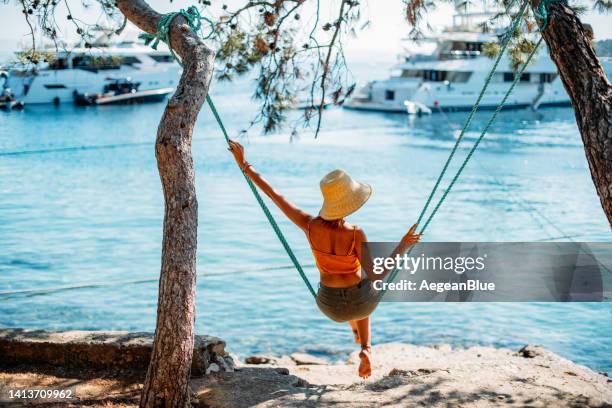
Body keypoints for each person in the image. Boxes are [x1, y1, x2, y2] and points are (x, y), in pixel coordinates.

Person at [228, 140, 422, 378]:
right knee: (364, 282)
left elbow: (274, 194)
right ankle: (365, 347)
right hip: (362, 302)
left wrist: (244, 164)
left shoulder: (309, 226)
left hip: (330, 307)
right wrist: (402, 246)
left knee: (359, 291)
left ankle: (357, 335)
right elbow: (378, 275)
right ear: (350, 203)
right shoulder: (354, 232)